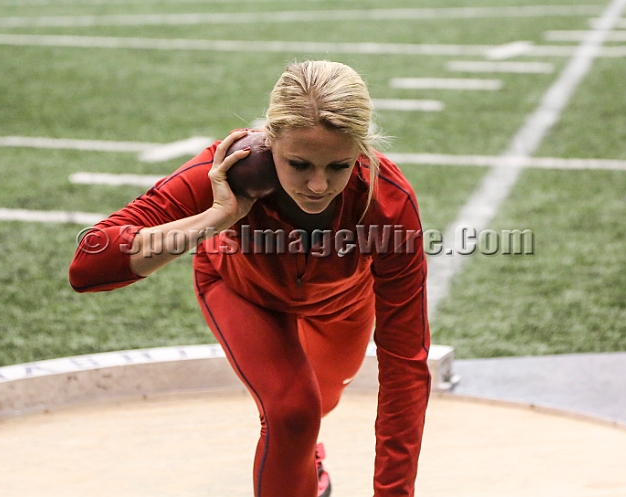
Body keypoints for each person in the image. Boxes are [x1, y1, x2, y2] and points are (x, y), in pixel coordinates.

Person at [69, 60, 431, 497]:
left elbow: (405, 363)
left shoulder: (389, 203)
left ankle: (306, 458)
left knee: (322, 404)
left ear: (363, 148)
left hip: (344, 308)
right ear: (268, 141)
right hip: (241, 290)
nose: (318, 185)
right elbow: (88, 266)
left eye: (338, 165)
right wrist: (216, 216)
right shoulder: (228, 164)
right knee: (294, 412)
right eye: (298, 164)